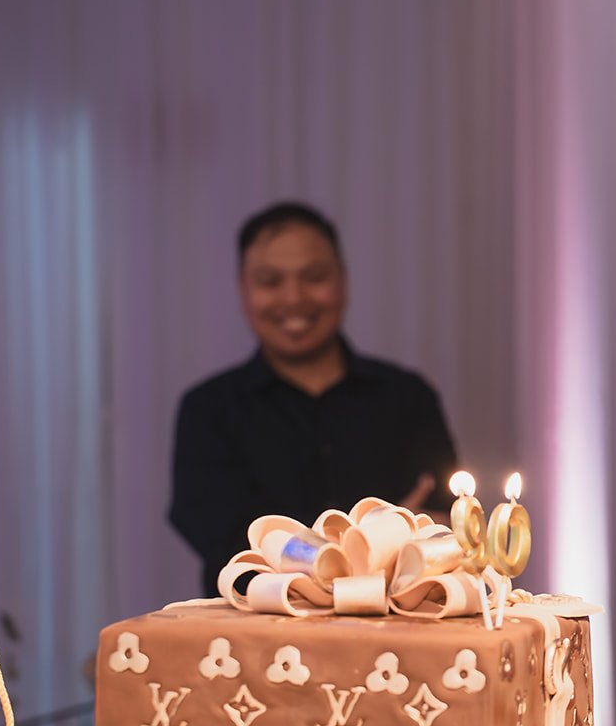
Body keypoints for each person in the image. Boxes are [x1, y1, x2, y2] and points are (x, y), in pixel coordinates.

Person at [169, 202, 458, 595]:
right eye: (270, 281)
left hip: (398, 638)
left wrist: (285, 540)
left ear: (343, 280)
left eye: (314, 276)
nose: (293, 297)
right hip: (252, 640)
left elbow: (442, 527)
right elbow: (223, 540)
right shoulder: (208, 410)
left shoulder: (408, 397)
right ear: (243, 289)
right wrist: (378, 542)